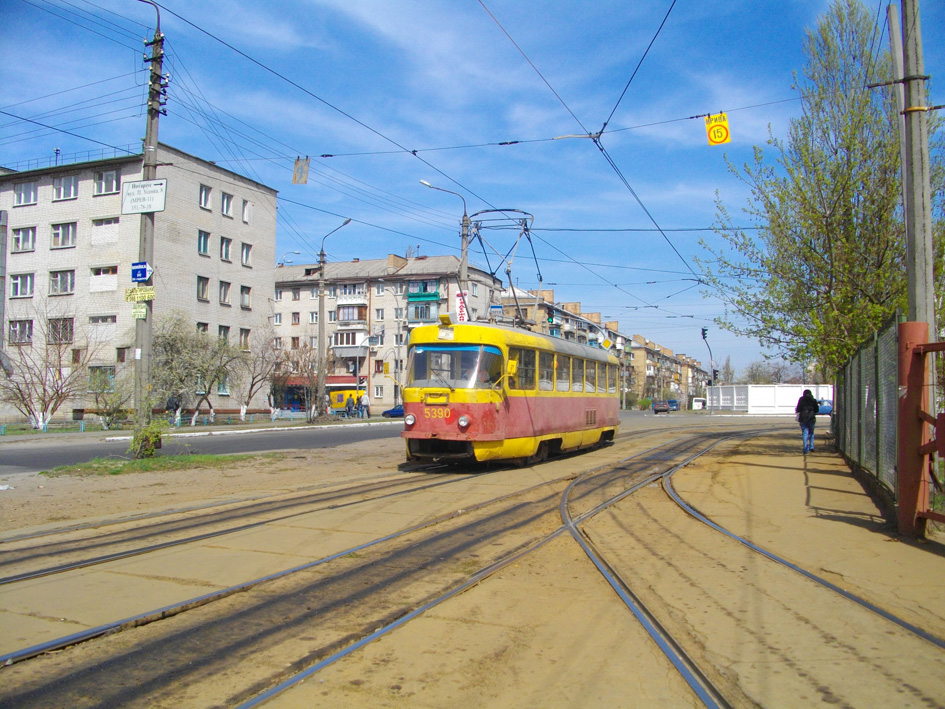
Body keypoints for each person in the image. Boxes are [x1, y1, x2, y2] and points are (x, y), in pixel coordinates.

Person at [795, 389, 820, 454]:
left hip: (803, 418)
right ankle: (811, 447)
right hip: (811, 418)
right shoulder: (813, 400)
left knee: (805, 433)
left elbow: (798, 409)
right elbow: (817, 410)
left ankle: (805, 449)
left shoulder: (801, 400)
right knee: (811, 433)